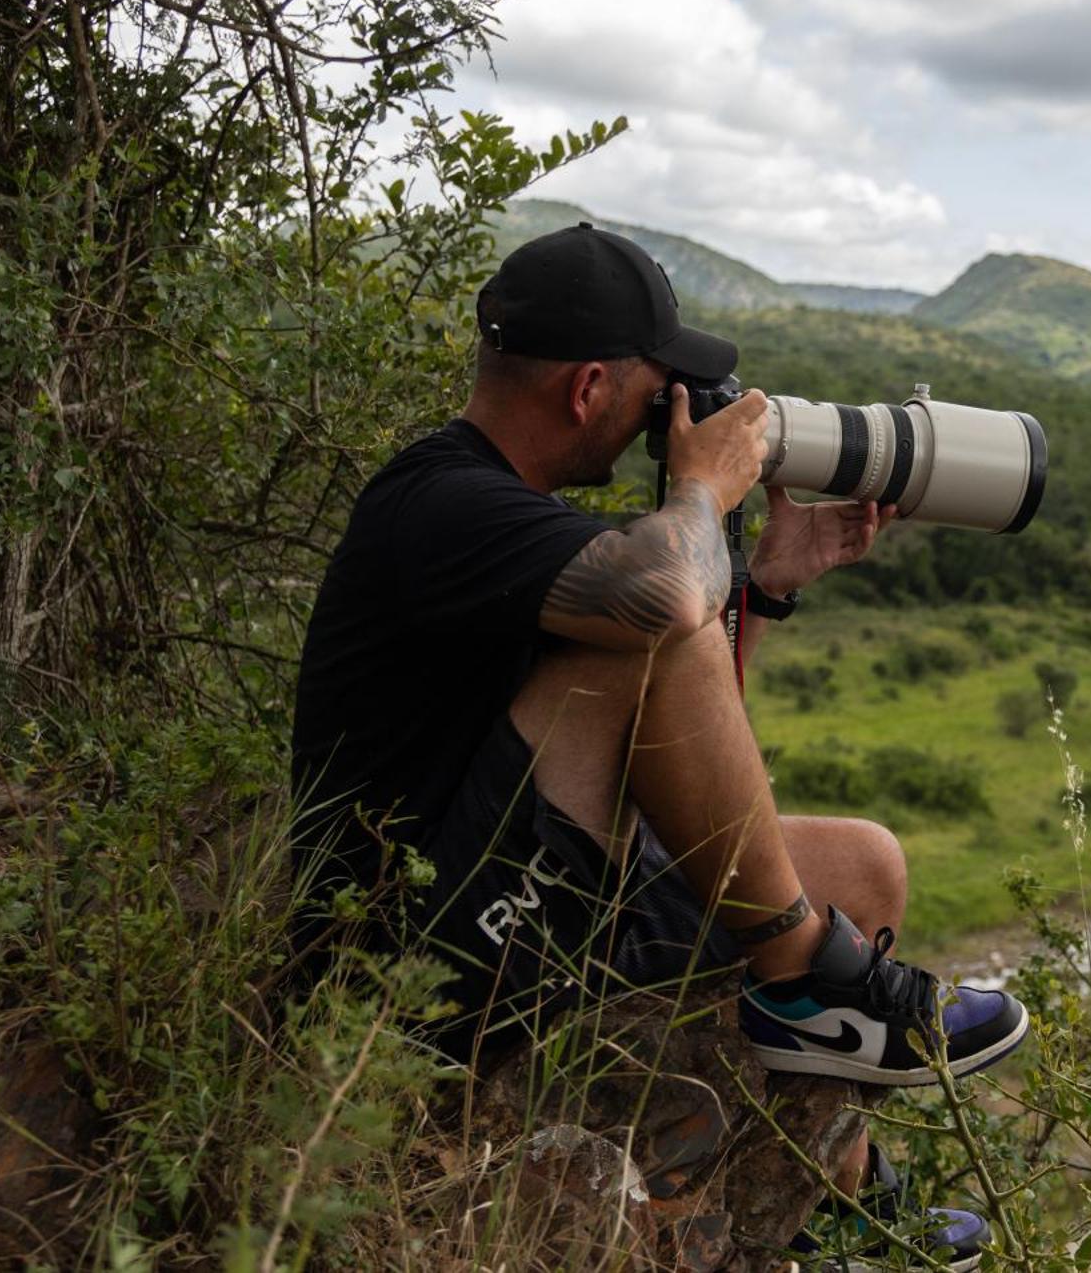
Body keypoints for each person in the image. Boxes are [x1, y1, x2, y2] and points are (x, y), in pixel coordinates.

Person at [290, 223, 1026, 1263]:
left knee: (862, 864)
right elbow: (664, 601)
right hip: (411, 962)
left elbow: (680, 739)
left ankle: (826, 1203)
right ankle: (808, 976)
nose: (666, 416)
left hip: (534, 897)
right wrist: (700, 495)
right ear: (590, 386)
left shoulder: (525, 519)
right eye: (658, 387)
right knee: (656, 604)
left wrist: (764, 581)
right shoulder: (440, 501)